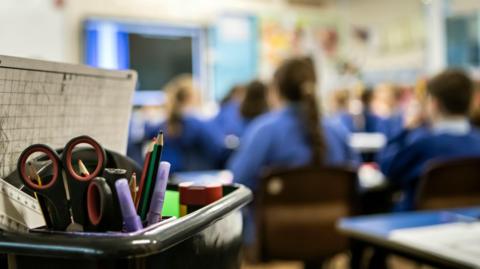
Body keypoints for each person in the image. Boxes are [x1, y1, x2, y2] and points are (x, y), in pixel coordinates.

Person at [228, 57, 358, 192]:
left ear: (277, 90)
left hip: (274, 212)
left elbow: (238, 183)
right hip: (335, 214)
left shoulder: (263, 132)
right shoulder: (338, 131)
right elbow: (356, 183)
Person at [378, 69, 480, 211]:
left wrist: (406, 129)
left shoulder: (425, 145)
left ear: (434, 103)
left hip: (417, 224)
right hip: (471, 222)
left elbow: (387, 168)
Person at [144, 74, 225, 172]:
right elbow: (218, 148)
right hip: (196, 177)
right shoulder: (197, 124)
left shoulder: (164, 123)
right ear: (192, 98)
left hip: (169, 177)